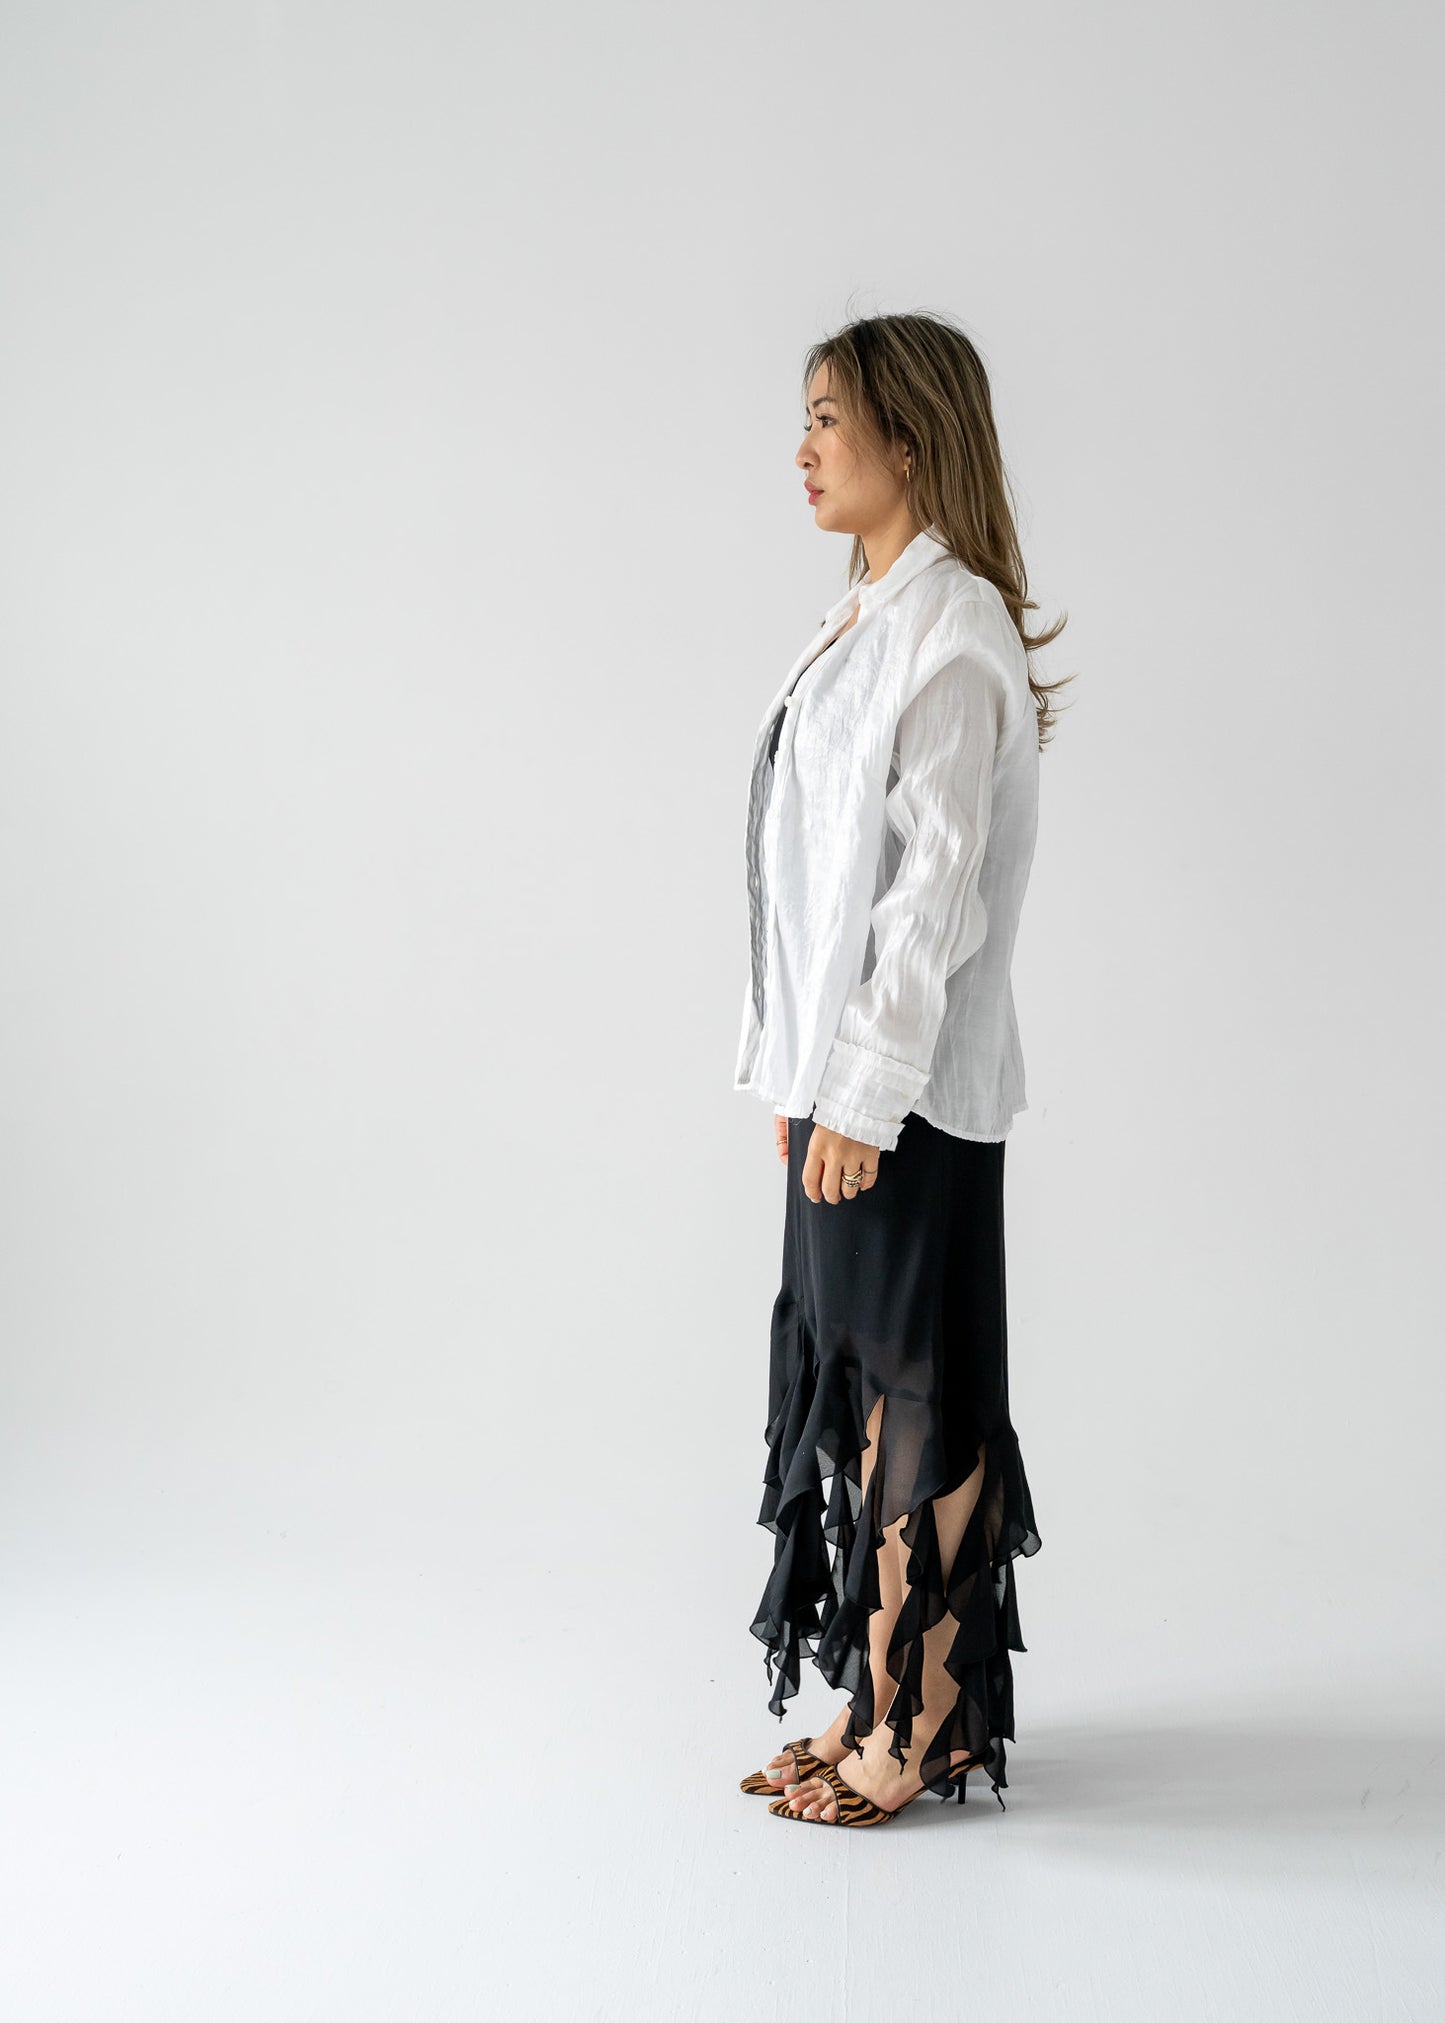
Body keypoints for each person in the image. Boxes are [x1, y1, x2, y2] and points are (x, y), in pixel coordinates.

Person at [733, 311, 1070, 1828]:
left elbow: (930, 904)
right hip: (842, 1091)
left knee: (911, 1398)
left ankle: (917, 1723)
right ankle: (880, 1699)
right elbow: (813, 884)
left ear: (909, 438)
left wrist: (859, 1100)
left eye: (826, 418)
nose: (801, 448)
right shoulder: (865, 613)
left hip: (908, 1101)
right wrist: (803, 1083)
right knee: (859, 1391)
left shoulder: (951, 633)